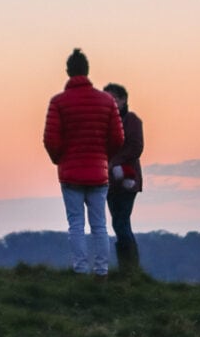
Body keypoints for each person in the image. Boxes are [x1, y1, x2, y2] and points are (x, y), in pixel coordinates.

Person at [43, 49, 124, 276]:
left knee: (76, 224)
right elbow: (118, 138)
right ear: (87, 71)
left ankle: (80, 269)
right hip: (98, 173)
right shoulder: (106, 101)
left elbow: (51, 139)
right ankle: (101, 271)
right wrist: (103, 157)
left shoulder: (58, 102)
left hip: (71, 173)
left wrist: (60, 159)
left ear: (68, 72)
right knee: (100, 225)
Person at [103, 82, 144, 271]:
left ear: (123, 100)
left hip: (128, 180)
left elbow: (136, 147)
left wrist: (115, 162)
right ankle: (127, 268)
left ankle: (130, 267)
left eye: (114, 99)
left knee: (122, 222)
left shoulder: (132, 120)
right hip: (110, 181)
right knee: (118, 222)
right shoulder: (104, 122)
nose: (111, 103)